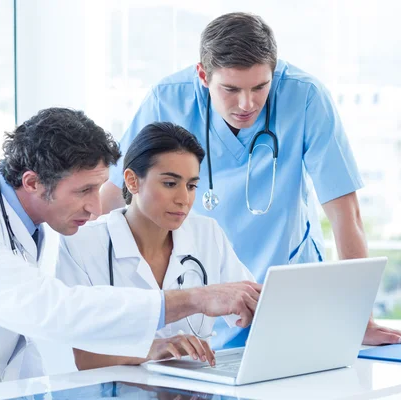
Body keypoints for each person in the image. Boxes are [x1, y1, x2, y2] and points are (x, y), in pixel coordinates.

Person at [0, 108, 260, 391]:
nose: (96, 207)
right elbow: (51, 309)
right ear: (33, 182)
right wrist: (191, 300)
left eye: (97, 188)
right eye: (84, 191)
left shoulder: (26, 223)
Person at [99, 12, 401, 347]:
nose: (247, 104)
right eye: (230, 89)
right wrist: (126, 297)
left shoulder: (305, 97)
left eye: (260, 87)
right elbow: (114, 194)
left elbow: (346, 214)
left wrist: (360, 317)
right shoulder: (168, 99)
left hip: (289, 286)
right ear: (202, 74)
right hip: (204, 287)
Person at [56, 122, 260, 370]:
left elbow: (254, 308)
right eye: (170, 184)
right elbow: (83, 358)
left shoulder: (207, 234)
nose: (184, 199)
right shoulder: (81, 244)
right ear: (132, 181)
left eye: (191, 185)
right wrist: (153, 349)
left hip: (195, 391)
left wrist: (259, 310)